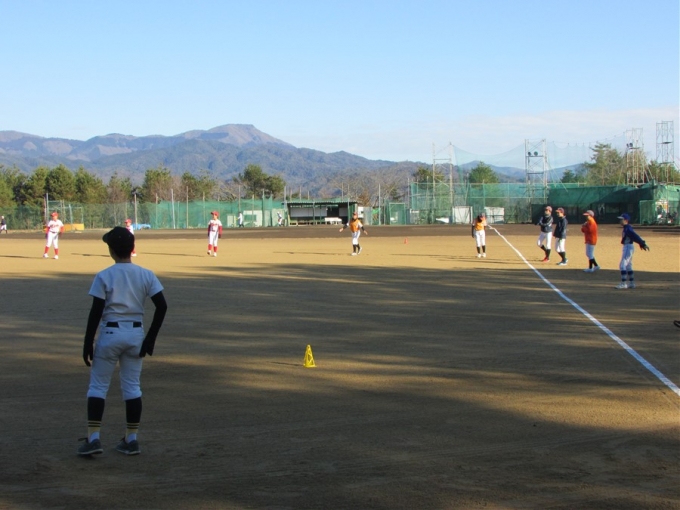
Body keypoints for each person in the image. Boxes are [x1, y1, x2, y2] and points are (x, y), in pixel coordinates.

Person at [77, 226, 167, 457]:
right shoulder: (146, 274)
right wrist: (150, 338)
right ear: (132, 248)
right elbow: (162, 306)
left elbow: (96, 312)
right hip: (136, 335)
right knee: (132, 387)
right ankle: (131, 439)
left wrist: (88, 342)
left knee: (98, 387)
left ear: (111, 250)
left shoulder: (104, 275)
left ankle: (94, 438)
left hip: (110, 334)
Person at [615, 213, 650, 289]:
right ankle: (631, 283)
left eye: (621, 219)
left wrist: (642, 243)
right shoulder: (627, 228)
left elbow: (635, 236)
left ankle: (623, 283)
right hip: (629, 247)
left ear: (626, 220)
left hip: (628, 247)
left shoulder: (628, 228)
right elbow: (634, 237)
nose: (620, 221)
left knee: (622, 265)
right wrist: (641, 243)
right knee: (628, 265)